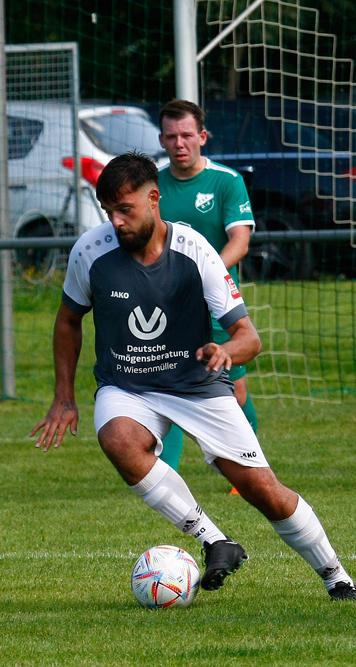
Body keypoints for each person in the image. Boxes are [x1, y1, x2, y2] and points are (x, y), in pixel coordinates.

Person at [30, 152, 356, 601]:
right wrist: (64, 397)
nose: (116, 221)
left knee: (261, 489)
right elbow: (68, 320)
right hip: (127, 385)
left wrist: (225, 349)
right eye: (107, 210)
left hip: (195, 384)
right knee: (118, 440)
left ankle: (336, 575)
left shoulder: (194, 251)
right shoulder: (90, 251)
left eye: (125, 209)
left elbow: (250, 337)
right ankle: (215, 540)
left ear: (153, 199)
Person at [154, 99, 258, 477]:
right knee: (167, 383)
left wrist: (202, 274)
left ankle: (247, 462)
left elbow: (240, 242)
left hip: (216, 301)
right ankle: (164, 472)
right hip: (164, 303)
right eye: (171, 136)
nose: (180, 143)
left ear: (202, 136)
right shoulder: (153, 186)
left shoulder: (226, 181)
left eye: (187, 135)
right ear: (162, 140)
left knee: (235, 390)